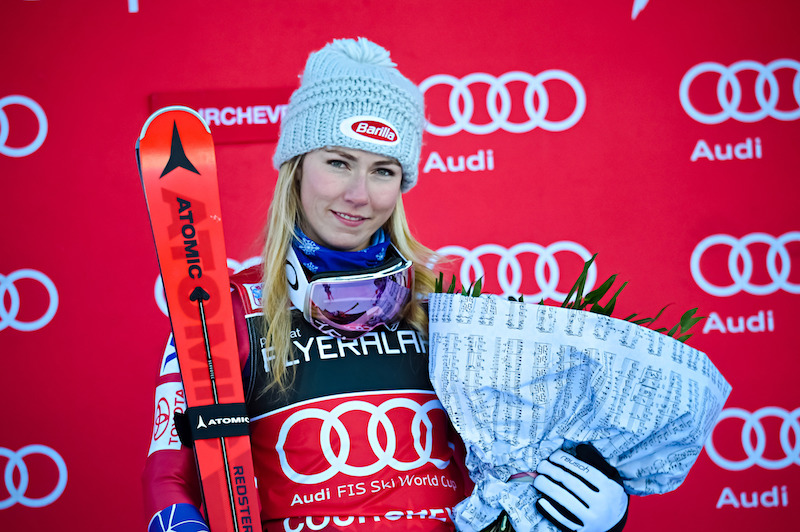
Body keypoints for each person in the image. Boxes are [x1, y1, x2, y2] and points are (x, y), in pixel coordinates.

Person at [142, 37, 629, 532]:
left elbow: (514, 469)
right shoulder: (223, 314)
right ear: (296, 167)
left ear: (402, 184)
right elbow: (168, 481)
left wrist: (592, 507)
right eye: (337, 162)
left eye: (382, 171)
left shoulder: (442, 313)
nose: (358, 195)